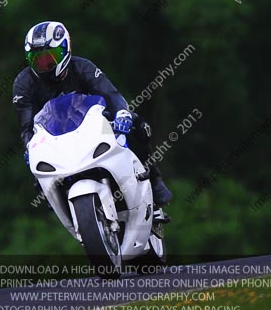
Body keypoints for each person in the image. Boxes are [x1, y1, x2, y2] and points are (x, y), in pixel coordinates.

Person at [12, 21, 172, 205]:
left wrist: (122, 114)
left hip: (91, 129)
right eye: (37, 59)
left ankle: (154, 180)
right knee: (37, 177)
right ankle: (59, 204)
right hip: (53, 141)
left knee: (140, 127)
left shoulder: (83, 67)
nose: (44, 64)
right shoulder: (23, 84)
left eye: (51, 57)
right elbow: (26, 125)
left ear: (65, 49)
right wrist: (30, 146)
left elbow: (110, 94)